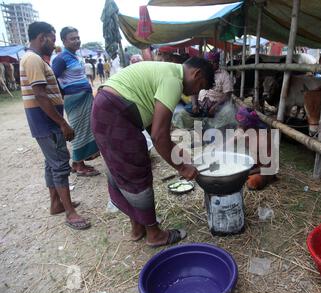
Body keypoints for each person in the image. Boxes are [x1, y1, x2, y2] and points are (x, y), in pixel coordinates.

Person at [91, 57, 214, 247]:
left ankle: (137, 227)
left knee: (120, 169)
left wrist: (177, 153)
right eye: (200, 86)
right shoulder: (174, 80)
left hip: (104, 109)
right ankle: (154, 234)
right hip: (114, 113)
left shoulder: (166, 70)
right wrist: (182, 167)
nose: (196, 92)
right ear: (196, 74)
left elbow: (152, 125)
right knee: (136, 170)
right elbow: (158, 136)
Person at [20, 22, 91, 230]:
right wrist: (62, 123)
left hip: (44, 121)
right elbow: (40, 95)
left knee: (51, 164)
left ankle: (56, 204)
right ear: (42, 37)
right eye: (52, 38)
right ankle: (70, 213)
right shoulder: (33, 59)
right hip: (47, 122)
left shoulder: (33, 59)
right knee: (60, 164)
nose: (54, 43)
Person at [52, 26, 100, 177]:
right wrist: (63, 95)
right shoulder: (61, 59)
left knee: (86, 128)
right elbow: (54, 80)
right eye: (72, 38)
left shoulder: (74, 56)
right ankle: (79, 165)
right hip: (75, 100)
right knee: (79, 131)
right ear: (64, 41)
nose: (77, 41)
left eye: (78, 38)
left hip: (84, 98)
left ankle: (76, 162)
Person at [172, 50, 237, 135]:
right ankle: (193, 133)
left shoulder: (224, 75)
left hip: (216, 108)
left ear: (218, 62)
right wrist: (195, 105)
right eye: (210, 62)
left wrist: (215, 106)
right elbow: (193, 91)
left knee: (228, 110)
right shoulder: (201, 73)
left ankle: (210, 131)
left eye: (214, 62)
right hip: (199, 107)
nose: (212, 64)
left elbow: (227, 94)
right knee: (180, 115)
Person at [234, 107, 277, 191]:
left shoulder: (264, 138)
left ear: (248, 125)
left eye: (240, 124)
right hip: (251, 166)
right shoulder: (244, 134)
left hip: (264, 170)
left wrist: (246, 173)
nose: (238, 126)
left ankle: (249, 178)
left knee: (252, 183)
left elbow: (268, 166)